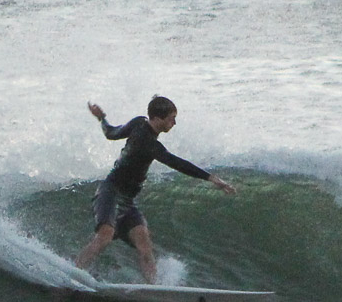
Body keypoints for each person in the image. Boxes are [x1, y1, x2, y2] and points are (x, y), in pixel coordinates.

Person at [74, 95, 236, 284]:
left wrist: (102, 119)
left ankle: (154, 286)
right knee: (104, 236)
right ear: (158, 118)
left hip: (127, 200)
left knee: (144, 242)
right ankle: (75, 273)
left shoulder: (138, 123)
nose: (174, 122)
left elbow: (110, 132)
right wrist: (211, 178)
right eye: (171, 118)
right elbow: (176, 162)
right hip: (110, 192)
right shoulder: (150, 144)